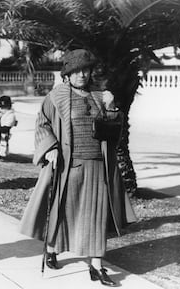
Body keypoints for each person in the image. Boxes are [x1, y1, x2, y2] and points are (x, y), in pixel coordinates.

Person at [20, 49, 136, 287]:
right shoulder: (55, 97)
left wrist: (112, 109)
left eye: (86, 69)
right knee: (63, 212)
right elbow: (43, 124)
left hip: (97, 167)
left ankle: (97, 267)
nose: (82, 74)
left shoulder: (99, 96)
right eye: (77, 70)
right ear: (67, 73)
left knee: (96, 215)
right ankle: (52, 249)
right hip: (67, 166)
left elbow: (114, 133)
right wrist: (50, 147)